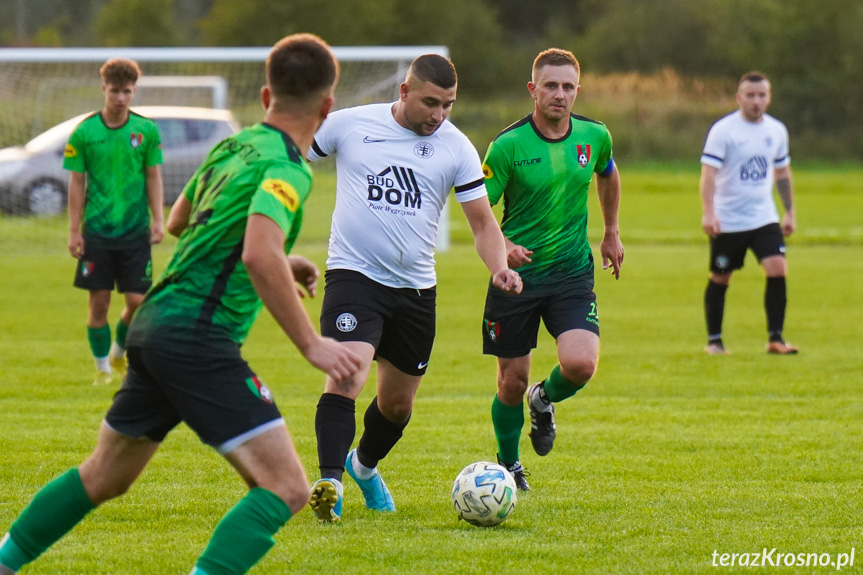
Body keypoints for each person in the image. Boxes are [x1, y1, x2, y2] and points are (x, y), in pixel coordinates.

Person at [0, 34, 360, 575]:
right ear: (327, 107)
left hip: (152, 326)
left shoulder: (230, 147)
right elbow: (259, 254)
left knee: (105, 476)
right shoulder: (290, 169)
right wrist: (312, 343)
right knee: (285, 489)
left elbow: (179, 222)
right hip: (197, 336)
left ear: (266, 96)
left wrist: (285, 261)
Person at [306, 54, 522, 522]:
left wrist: (499, 266)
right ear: (404, 93)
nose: (438, 115)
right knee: (347, 373)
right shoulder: (349, 125)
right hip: (354, 276)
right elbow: (294, 153)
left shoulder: (456, 147)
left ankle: (362, 467)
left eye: (448, 105)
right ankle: (329, 484)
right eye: (430, 103)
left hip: (416, 291)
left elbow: (484, 224)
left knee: (398, 406)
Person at [480, 48, 624, 491]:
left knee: (581, 364)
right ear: (533, 90)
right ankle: (510, 464)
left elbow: (608, 173)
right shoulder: (507, 146)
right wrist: (504, 246)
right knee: (509, 382)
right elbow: (478, 207)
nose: (559, 95)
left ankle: (542, 400)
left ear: (577, 90)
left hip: (571, 273)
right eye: (550, 86)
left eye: (567, 87)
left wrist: (611, 231)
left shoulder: (595, 135)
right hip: (516, 280)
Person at [64, 58, 165, 386]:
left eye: (127, 91)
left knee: (137, 302)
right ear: (103, 89)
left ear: (134, 90)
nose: (120, 97)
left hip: (135, 231)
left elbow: (153, 175)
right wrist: (74, 230)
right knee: (99, 303)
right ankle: (102, 371)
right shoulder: (84, 132)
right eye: (114, 91)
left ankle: (117, 353)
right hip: (97, 233)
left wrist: (158, 219)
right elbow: (77, 183)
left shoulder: (146, 130)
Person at [700, 72, 798, 355]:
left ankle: (776, 339)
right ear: (739, 98)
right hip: (728, 220)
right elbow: (708, 174)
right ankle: (715, 341)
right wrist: (709, 213)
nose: (757, 101)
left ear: (769, 98)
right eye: (751, 95)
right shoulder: (724, 130)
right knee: (721, 277)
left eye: (762, 95)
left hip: (763, 217)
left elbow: (781, 172)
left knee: (777, 268)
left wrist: (789, 212)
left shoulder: (777, 131)